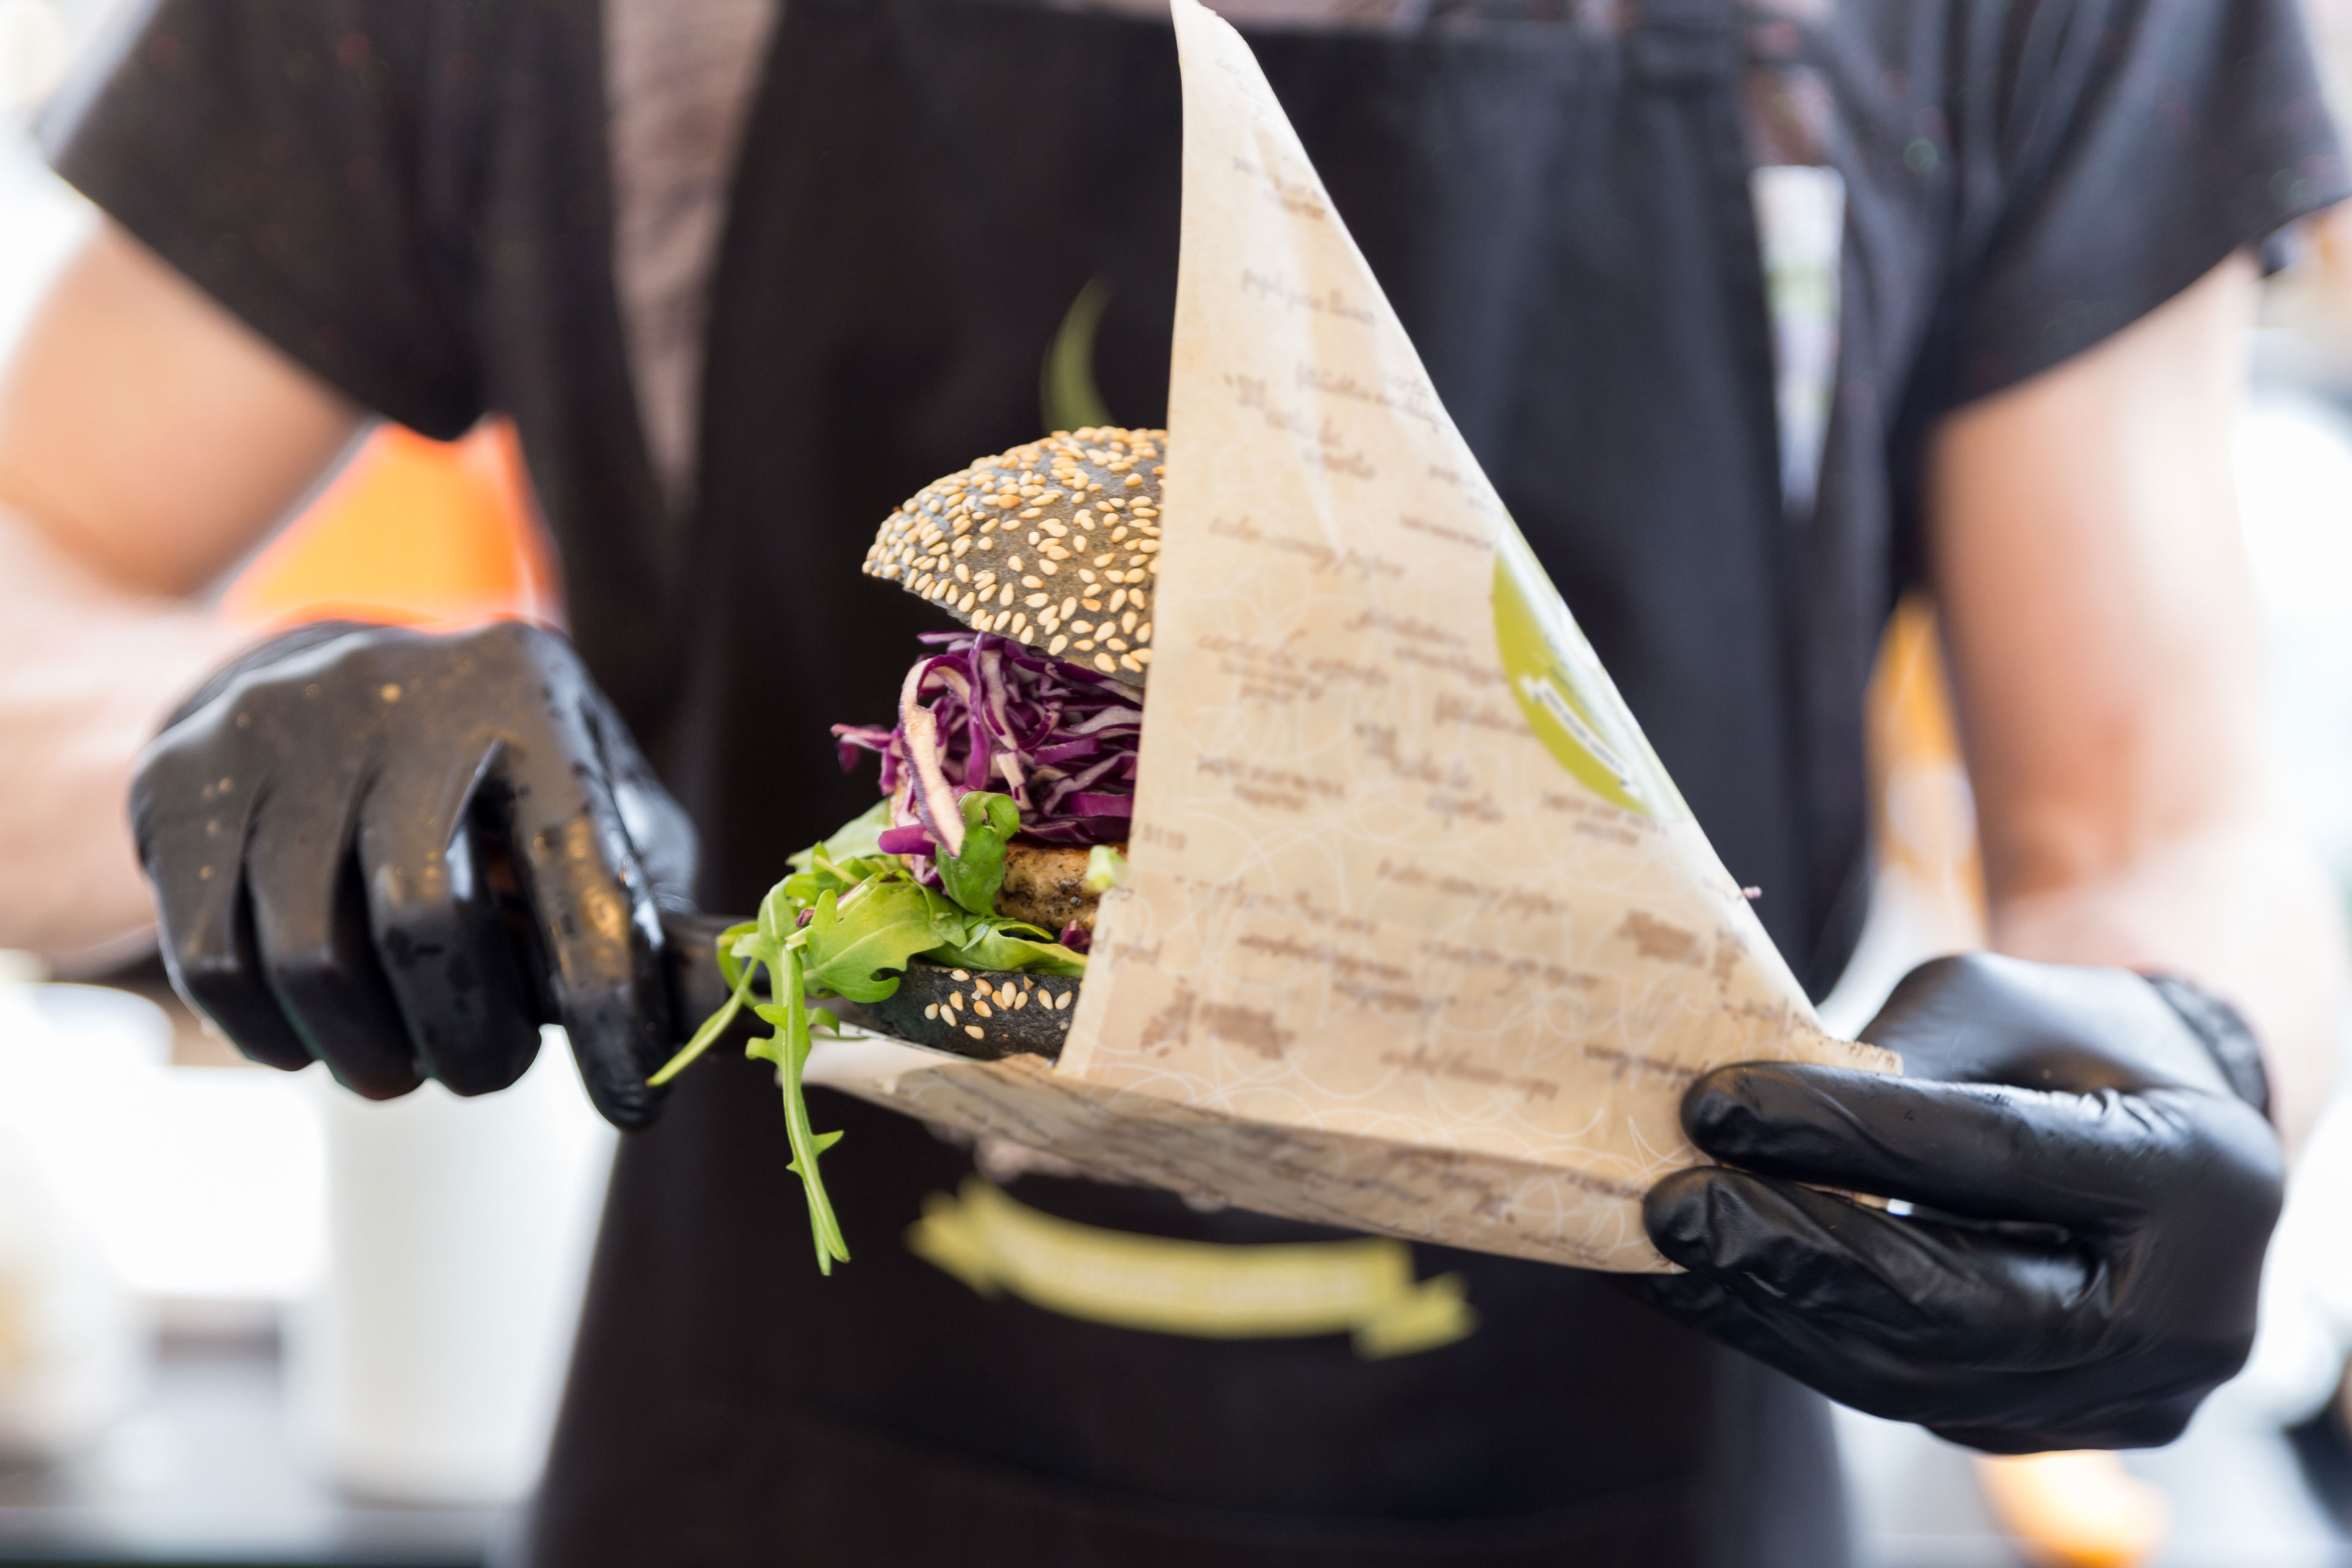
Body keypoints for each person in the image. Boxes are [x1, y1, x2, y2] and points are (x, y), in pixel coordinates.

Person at [3, 0, 2346, 1562]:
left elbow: (2153, 802)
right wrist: (229, 739)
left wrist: (2186, 1052)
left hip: (1639, 1467)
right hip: (778, 1468)